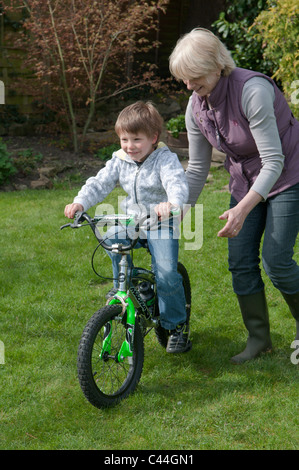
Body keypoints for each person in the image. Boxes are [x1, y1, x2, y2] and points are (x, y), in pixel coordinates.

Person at [169, 28, 299, 364]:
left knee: (277, 260)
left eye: (194, 76)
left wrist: (242, 210)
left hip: (286, 177)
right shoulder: (196, 105)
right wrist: (180, 208)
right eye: (183, 79)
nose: (188, 85)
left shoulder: (252, 90)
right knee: (240, 262)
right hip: (245, 182)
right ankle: (259, 339)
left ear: (217, 65)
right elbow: (197, 168)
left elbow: (274, 161)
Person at [64, 101, 191, 353]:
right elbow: (99, 183)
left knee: (166, 273)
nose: (129, 146)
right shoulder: (119, 160)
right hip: (132, 221)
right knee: (111, 239)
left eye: (136, 139)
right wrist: (80, 202)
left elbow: (177, 182)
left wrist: (172, 203)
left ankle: (176, 326)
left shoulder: (165, 159)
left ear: (153, 137)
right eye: (124, 139)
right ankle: (125, 284)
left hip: (160, 222)